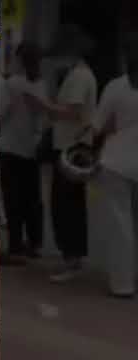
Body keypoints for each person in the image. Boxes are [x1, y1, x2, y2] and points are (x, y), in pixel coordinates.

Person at [26, 24, 98, 282]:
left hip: (71, 148)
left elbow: (74, 112)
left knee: (67, 206)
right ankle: (72, 258)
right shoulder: (76, 74)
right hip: (69, 146)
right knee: (67, 204)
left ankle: (72, 260)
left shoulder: (79, 76)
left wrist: (44, 106)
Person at [92, 32, 138, 298]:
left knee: (121, 226)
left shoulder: (116, 86)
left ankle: (123, 284)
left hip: (117, 162)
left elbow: (98, 126)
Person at [0, 42, 47, 260]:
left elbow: (3, 114)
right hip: (31, 149)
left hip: (10, 148)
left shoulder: (11, 85)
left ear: (18, 60)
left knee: (12, 200)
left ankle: (15, 247)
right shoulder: (41, 85)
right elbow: (42, 119)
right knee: (32, 198)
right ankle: (35, 243)